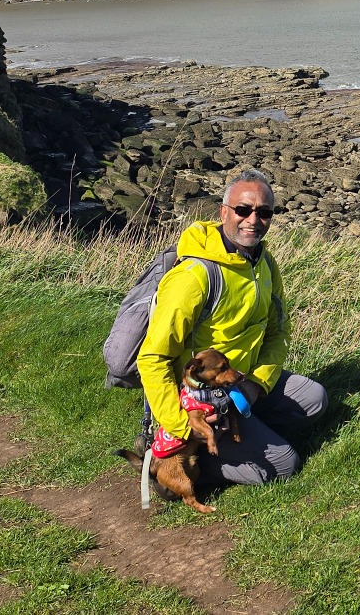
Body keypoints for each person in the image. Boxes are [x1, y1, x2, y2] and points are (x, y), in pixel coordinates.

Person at [136, 169, 325, 485]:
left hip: (240, 380)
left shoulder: (263, 263)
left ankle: (241, 429)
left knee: (315, 399)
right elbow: (152, 358)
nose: (254, 220)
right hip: (200, 396)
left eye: (264, 212)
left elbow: (278, 332)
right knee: (284, 465)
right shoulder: (194, 276)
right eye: (243, 209)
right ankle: (173, 468)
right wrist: (184, 427)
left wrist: (256, 384)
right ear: (223, 212)